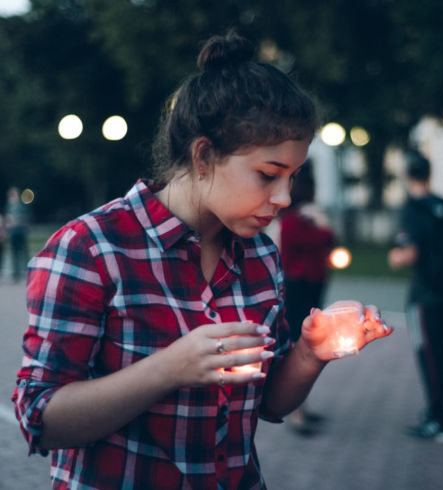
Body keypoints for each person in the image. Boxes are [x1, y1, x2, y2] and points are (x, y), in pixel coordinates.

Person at [12, 33, 391, 490]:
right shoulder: (91, 249)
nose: (285, 197)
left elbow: (269, 404)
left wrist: (311, 353)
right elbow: (41, 420)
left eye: (293, 177)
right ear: (205, 155)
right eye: (268, 175)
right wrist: (170, 368)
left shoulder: (261, 256)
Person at [388, 149, 443, 442]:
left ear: (408, 177)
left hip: (425, 296)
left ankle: (439, 419)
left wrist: (394, 257)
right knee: (441, 354)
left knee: (429, 357)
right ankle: (438, 411)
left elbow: (409, 254)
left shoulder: (413, 209)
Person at [279, 161, 335, 432]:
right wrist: (321, 224)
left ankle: (302, 406)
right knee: (298, 343)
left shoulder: (303, 217)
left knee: (310, 340)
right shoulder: (292, 220)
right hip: (297, 284)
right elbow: (323, 239)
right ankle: (296, 412)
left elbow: (329, 242)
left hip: (312, 283)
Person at [5, 186, 30, 282]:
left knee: (24, 253)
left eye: (13, 194)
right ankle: (16, 274)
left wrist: (16, 219)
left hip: (21, 232)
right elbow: (7, 219)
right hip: (13, 232)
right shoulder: (9, 206)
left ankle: (28, 271)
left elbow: (25, 217)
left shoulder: (22, 205)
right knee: (14, 253)